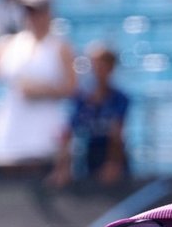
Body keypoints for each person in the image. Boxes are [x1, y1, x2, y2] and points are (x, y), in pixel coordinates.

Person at [0, 0, 76, 171]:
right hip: (11, 127)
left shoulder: (60, 46)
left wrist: (42, 90)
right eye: (29, 11)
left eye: (38, 11)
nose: (34, 17)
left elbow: (72, 88)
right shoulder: (7, 44)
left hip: (44, 130)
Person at [53, 44, 129, 186]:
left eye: (102, 65)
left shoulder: (119, 99)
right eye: (95, 65)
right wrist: (63, 168)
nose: (97, 70)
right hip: (88, 157)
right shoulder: (81, 100)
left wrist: (113, 163)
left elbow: (117, 134)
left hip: (112, 158)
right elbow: (68, 133)